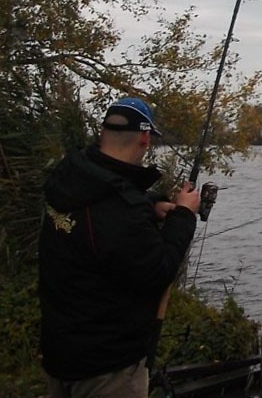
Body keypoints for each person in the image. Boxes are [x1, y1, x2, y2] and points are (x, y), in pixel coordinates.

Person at [38, 97, 200, 398]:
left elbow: (106, 216)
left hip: (60, 353)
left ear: (102, 133)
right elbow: (159, 270)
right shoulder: (121, 210)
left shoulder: (70, 176)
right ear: (144, 137)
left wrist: (151, 205)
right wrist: (183, 216)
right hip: (107, 369)